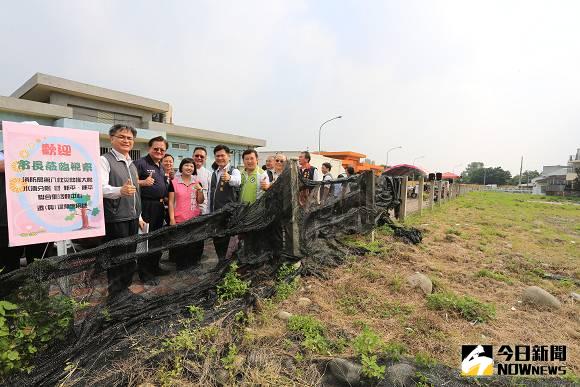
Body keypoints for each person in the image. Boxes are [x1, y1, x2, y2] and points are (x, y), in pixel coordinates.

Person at [100, 124, 144, 298]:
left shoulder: (131, 164)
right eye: (122, 137)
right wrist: (120, 191)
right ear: (112, 139)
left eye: (130, 138)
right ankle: (115, 295)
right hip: (116, 218)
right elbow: (100, 188)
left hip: (132, 218)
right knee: (117, 258)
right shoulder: (104, 160)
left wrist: (139, 215)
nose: (126, 140)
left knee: (129, 256)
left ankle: (125, 291)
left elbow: (135, 193)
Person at [0, 150, 48, 274]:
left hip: (39, 218)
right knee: (9, 268)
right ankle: (11, 293)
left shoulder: (43, 155)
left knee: (39, 265)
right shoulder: (2, 155)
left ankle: (39, 293)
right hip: (6, 221)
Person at [133, 136, 170, 285]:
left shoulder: (160, 166)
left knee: (157, 240)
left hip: (160, 207)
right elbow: (127, 182)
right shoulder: (140, 163)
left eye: (162, 149)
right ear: (149, 148)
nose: (159, 151)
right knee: (145, 242)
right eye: (156, 148)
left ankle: (155, 267)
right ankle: (145, 274)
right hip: (146, 206)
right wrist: (143, 182)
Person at [168, 158, 204, 270]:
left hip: (194, 218)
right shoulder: (174, 182)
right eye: (186, 165)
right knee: (181, 244)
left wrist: (200, 190)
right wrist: (172, 219)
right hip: (179, 219)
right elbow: (170, 201)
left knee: (193, 243)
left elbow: (200, 201)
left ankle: (192, 264)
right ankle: (181, 265)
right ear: (181, 167)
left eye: (191, 166)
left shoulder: (197, 182)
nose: (189, 168)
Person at [209, 145, 241, 261]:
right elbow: (210, 194)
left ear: (229, 156)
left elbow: (238, 181)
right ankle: (220, 261)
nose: (220, 158)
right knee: (217, 238)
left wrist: (230, 178)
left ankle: (228, 264)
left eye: (222, 155)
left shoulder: (234, 170)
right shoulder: (214, 172)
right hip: (215, 213)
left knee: (228, 240)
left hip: (228, 214)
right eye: (217, 156)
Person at [192, 147, 212, 215]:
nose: (199, 158)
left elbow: (210, 194)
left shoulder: (208, 174)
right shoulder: (182, 172)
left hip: (202, 212)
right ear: (192, 156)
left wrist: (208, 210)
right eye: (197, 155)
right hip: (186, 212)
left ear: (205, 159)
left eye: (202, 156)